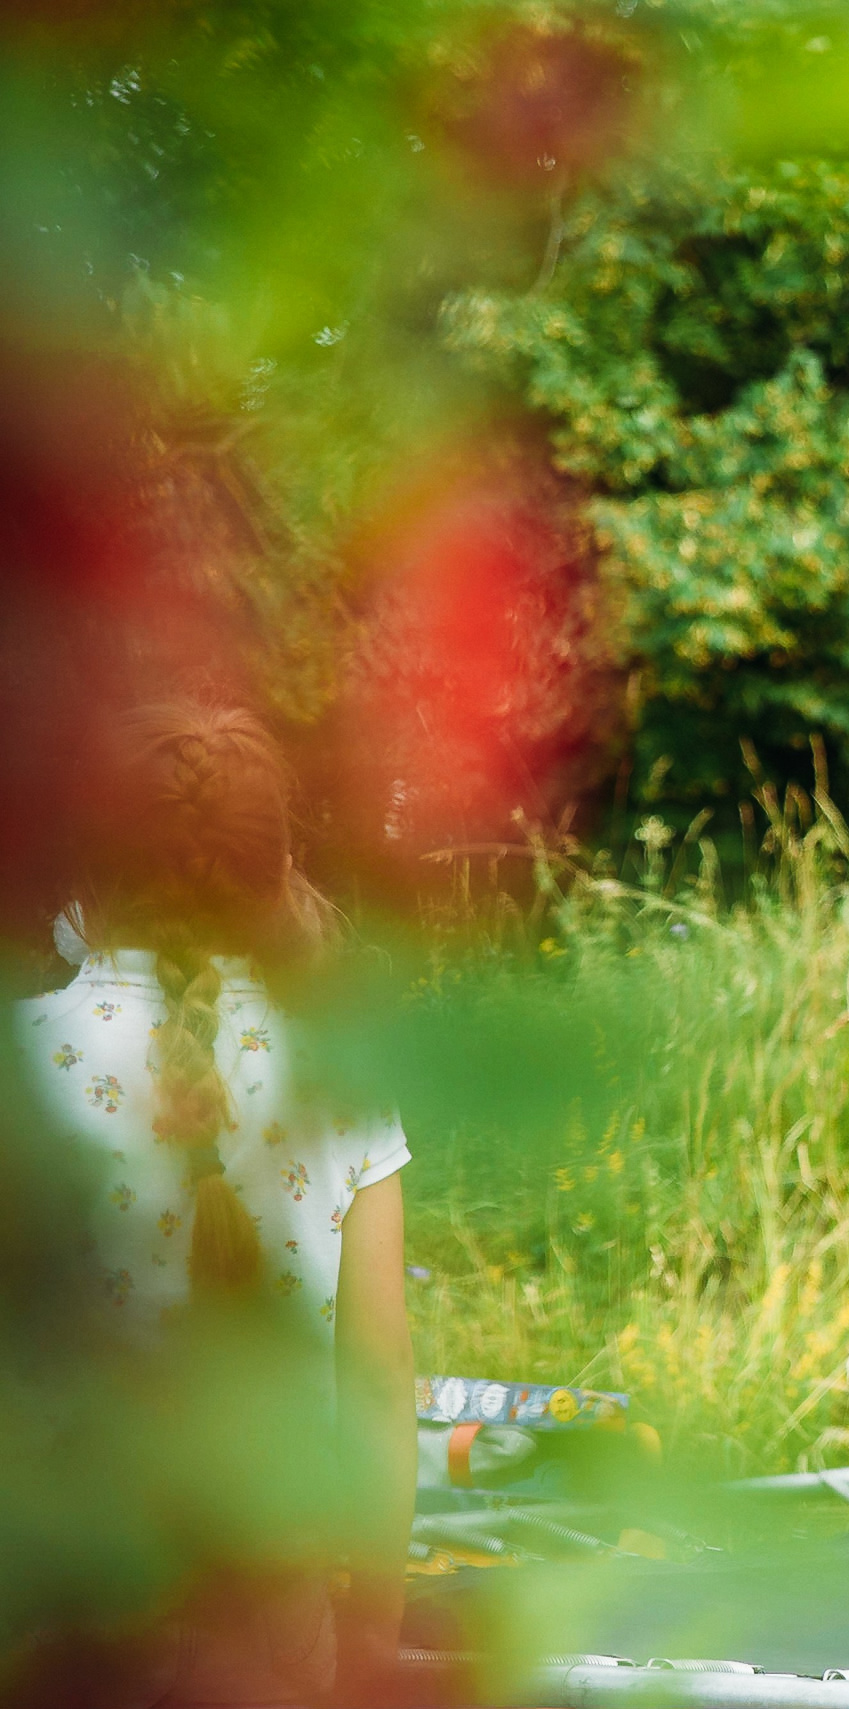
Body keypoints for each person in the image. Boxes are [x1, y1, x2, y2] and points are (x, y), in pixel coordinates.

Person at [17, 702, 415, 1704]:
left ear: (96, 865)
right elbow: (377, 1387)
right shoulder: (339, 1069)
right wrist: (369, 1636)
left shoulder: (24, 1066)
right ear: (279, 874)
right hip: (275, 1619)